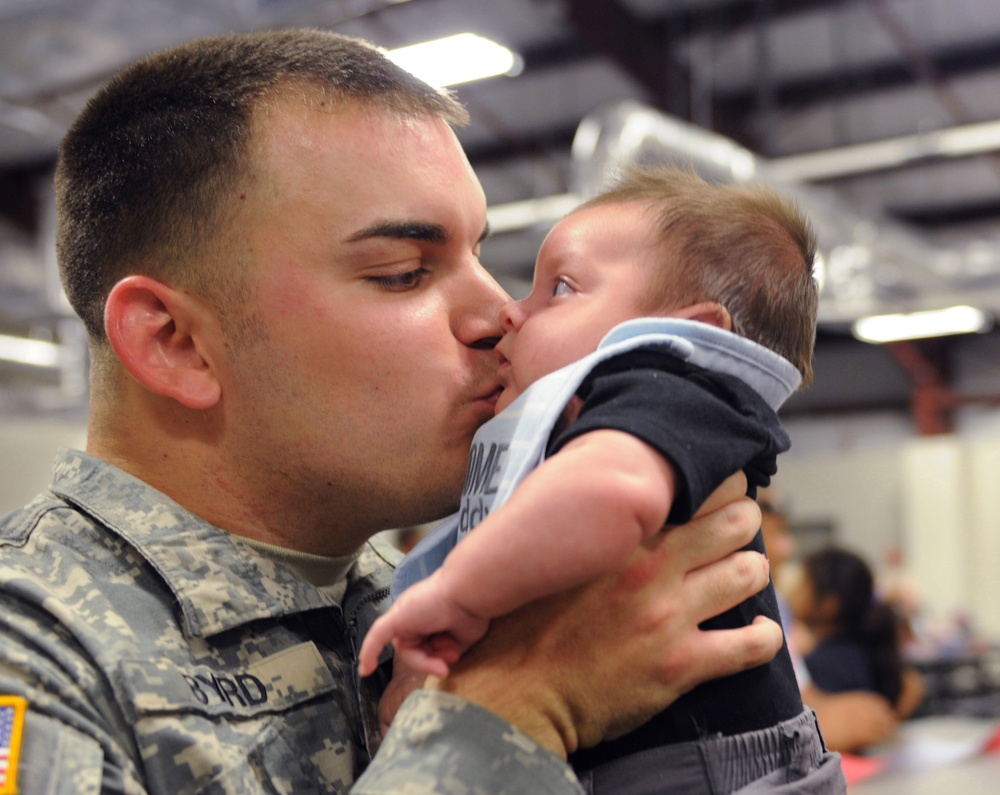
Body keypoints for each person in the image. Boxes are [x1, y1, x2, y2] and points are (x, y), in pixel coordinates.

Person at [0, 29, 785, 794]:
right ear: (175, 342)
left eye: (478, 251)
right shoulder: (37, 646)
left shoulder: (419, 595)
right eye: (405, 272)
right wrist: (516, 706)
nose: (501, 313)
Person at [360, 165, 845, 792]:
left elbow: (611, 494)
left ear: (684, 333)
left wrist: (456, 595)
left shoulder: (670, 386)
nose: (510, 311)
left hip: (719, 770)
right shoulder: (592, 425)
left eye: (559, 288)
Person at [758, 493, 904, 752]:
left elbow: (804, 697)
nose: (787, 548)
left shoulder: (776, 607)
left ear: (828, 605)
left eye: (803, 583)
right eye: (776, 534)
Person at [789, 546, 926, 726]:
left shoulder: (821, 664)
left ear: (830, 605)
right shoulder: (871, 650)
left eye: (802, 584)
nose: (793, 591)